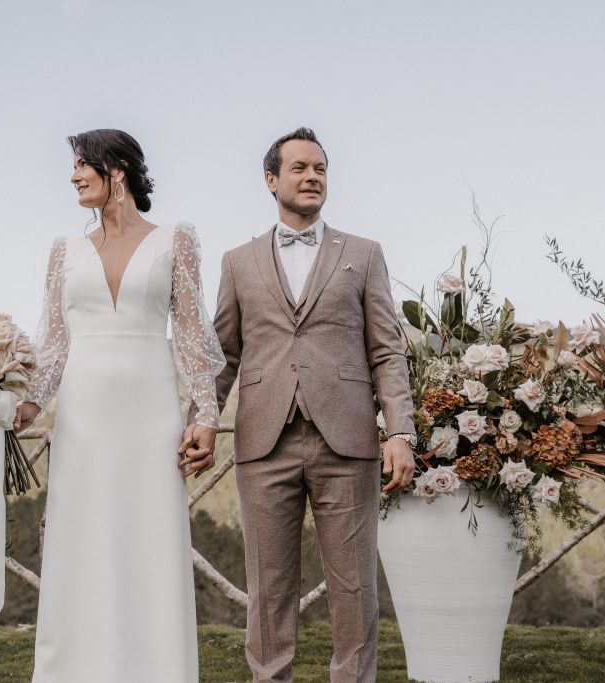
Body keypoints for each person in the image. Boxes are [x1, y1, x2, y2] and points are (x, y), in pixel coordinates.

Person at [184, 127, 416, 683]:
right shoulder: (238, 262)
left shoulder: (364, 254)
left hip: (349, 439)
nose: (312, 177)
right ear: (271, 180)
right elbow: (224, 355)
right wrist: (203, 419)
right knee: (269, 587)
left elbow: (387, 350)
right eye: (299, 168)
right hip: (264, 440)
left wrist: (400, 432)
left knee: (355, 585)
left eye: (320, 168)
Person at [15, 128, 224, 682]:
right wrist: (28, 406)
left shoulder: (176, 239)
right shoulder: (64, 251)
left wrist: (206, 416)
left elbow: (193, 336)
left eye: (84, 164)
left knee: (149, 542)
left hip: (152, 410)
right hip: (84, 414)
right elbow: (55, 343)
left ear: (119, 170)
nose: (74, 174)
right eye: (75, 165)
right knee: (80, 542)